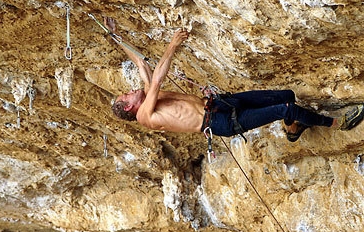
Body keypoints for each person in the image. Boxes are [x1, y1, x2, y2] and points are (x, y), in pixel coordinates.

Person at [106, 17, 364, 142]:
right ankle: (336, 124)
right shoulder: (146, 116)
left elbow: (140, 62)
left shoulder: (149, 97)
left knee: (287, 95)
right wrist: (173, 45)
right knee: (287, 108)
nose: (129, 90)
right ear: (130, 107)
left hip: (220, 104)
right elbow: (159, 78)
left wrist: (114, 35)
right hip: (219, 123)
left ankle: (293, 129)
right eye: (126, 95)